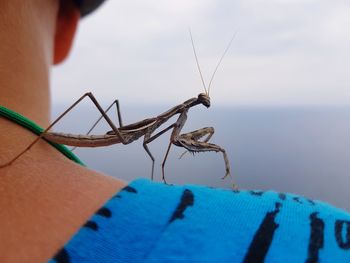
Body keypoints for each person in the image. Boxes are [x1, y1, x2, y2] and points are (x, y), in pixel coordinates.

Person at [0, 1, 349, 262]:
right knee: (94, 100)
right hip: (109, 135)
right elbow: (159, 143)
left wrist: (209, 150)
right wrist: (162, 172)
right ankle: (31, 145)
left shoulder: (180, 119)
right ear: (67, 24)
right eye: (202, 99)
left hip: (124, 135)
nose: (205, 102)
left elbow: (163, 140)